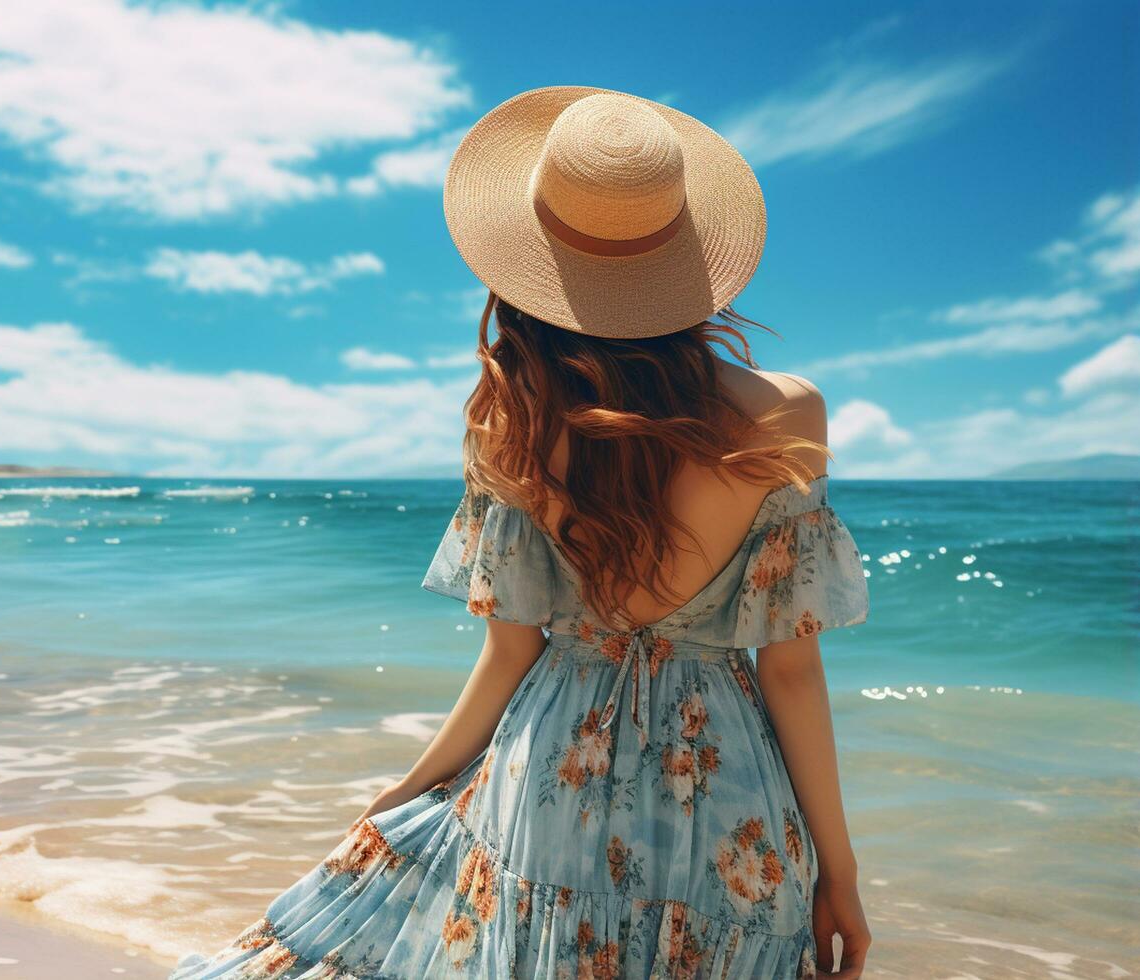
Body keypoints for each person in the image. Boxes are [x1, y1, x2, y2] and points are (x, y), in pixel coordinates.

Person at [171, 85, 871, 979]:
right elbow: (791, 669)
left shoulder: (511, 425)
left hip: (549, 792)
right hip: (725, 799)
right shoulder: (787, 412)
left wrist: (408, 792)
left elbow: (510, 654)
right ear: (686, 258)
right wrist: (838, 873)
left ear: (530, 266)